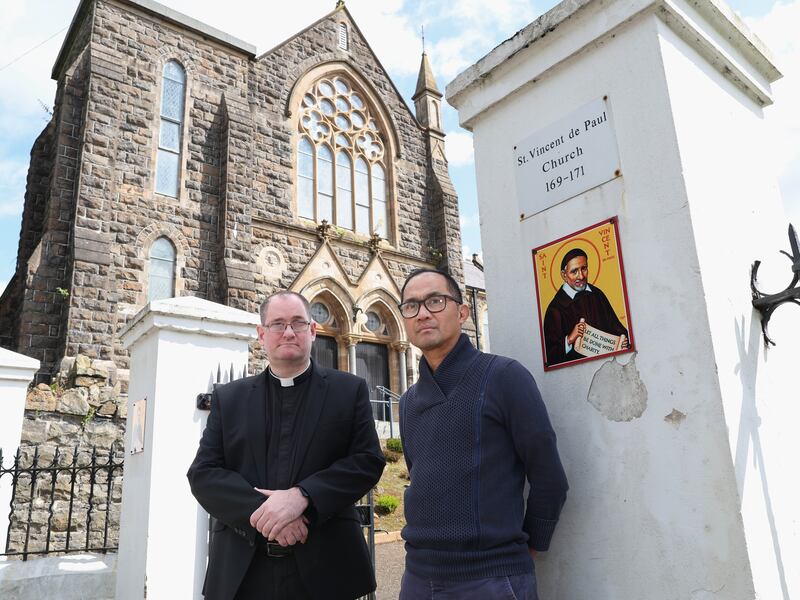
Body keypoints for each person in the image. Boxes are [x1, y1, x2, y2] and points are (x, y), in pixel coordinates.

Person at [187, 291, 385, 600]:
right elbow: (203, 473)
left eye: (298, 323)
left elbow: (367, 461)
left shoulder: (348, 391)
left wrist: (304, 496)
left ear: (313, 331)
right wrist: (268, 514)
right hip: (243, 570)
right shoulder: (230, 398)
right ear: (262, 334)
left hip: (327, 567)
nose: (289, 332)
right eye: (278, 324)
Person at [397, 269, 568, 600]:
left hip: (491, 579)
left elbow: (549, 478)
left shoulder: (504, 377)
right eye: (411, 306)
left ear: (462, 313)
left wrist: (525, 549)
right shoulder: (408, 403)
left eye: (435, 301)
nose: (422, 313)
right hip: (418, 578)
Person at [543, 248, 629, 366]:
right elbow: (550, 356)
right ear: (564, 275)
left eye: (584, 268)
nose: (581, 276)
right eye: (574, 271)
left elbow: (616, 327)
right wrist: (569, 339)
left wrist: (622, 341)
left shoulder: (597, 295)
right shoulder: (555, 309)